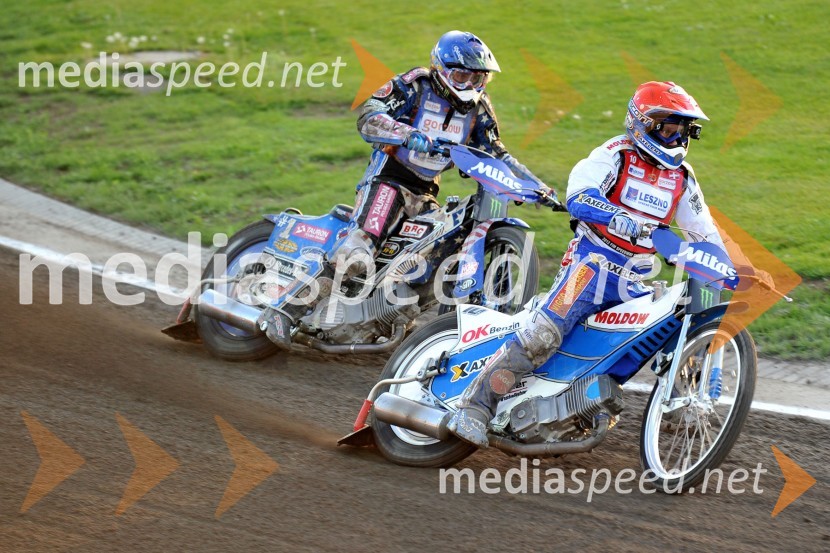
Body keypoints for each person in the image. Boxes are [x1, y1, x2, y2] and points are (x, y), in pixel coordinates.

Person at [448, 80, 773, 447]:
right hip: (590, 263)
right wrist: (618, 217)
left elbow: (705, 236)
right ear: (643, 124)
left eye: (683, 130)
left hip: (637, 278)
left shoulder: (683, 178)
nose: (676, 136)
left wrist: (740, 270)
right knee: (543, 336)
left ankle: (676, 401)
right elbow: (579, 195)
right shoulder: (615, 154)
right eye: (669, 127)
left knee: (676, 319)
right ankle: (474, 407)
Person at [261, 30, 559, 347]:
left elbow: (497, 154)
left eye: (478, 78)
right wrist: (404, 133)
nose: (470, 85)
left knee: (436, 259)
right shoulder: (415, 85)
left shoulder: (479, 109)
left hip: (427, 193)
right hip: (389, 180)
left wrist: (536, 186)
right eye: (461, 75)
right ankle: (284, 312)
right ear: (441, 69)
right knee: (359, 252)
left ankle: (389, 318)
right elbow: (369, 115)